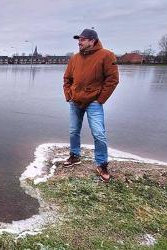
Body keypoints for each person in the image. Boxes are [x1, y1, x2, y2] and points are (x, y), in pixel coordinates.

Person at [62, 29, 119, 182]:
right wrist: (69, 95)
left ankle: (101, 163)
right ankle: (75, 156)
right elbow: (67, 78)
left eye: (83, 39)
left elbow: (112, 80)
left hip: (93, 102)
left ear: (92, 41)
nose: (79, 42)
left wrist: (100, 99)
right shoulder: (74, 58)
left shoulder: (106, 55)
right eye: (79, 39)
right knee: (74, 130)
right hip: (75, 101)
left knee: (99, 133)